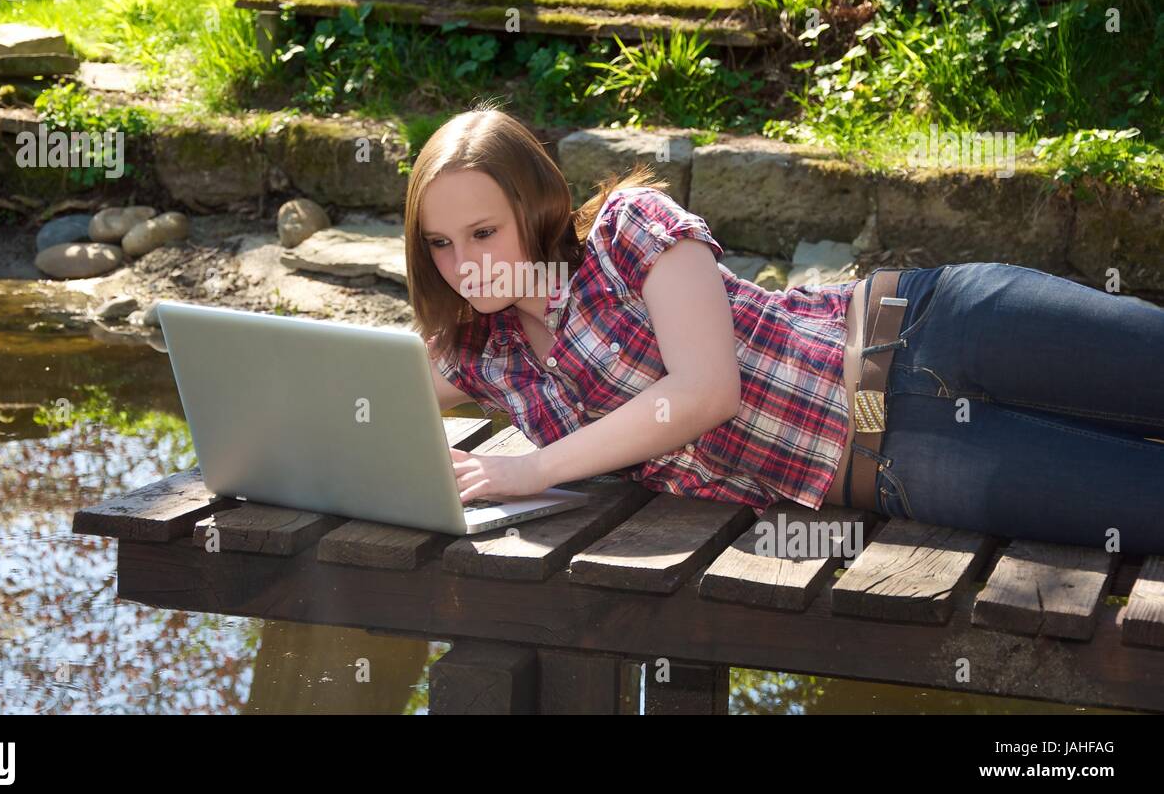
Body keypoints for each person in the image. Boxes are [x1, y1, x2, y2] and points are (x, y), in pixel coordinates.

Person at [407, 104, 1164, 555]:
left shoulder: (628, 232)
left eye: (482, 232)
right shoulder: (487, 354)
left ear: (535, 207)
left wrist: (532, 470)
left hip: (935, 327)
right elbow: (358, 386)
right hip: (905, 463)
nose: (464, 264)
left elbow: (706, 391)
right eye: (440, 244)